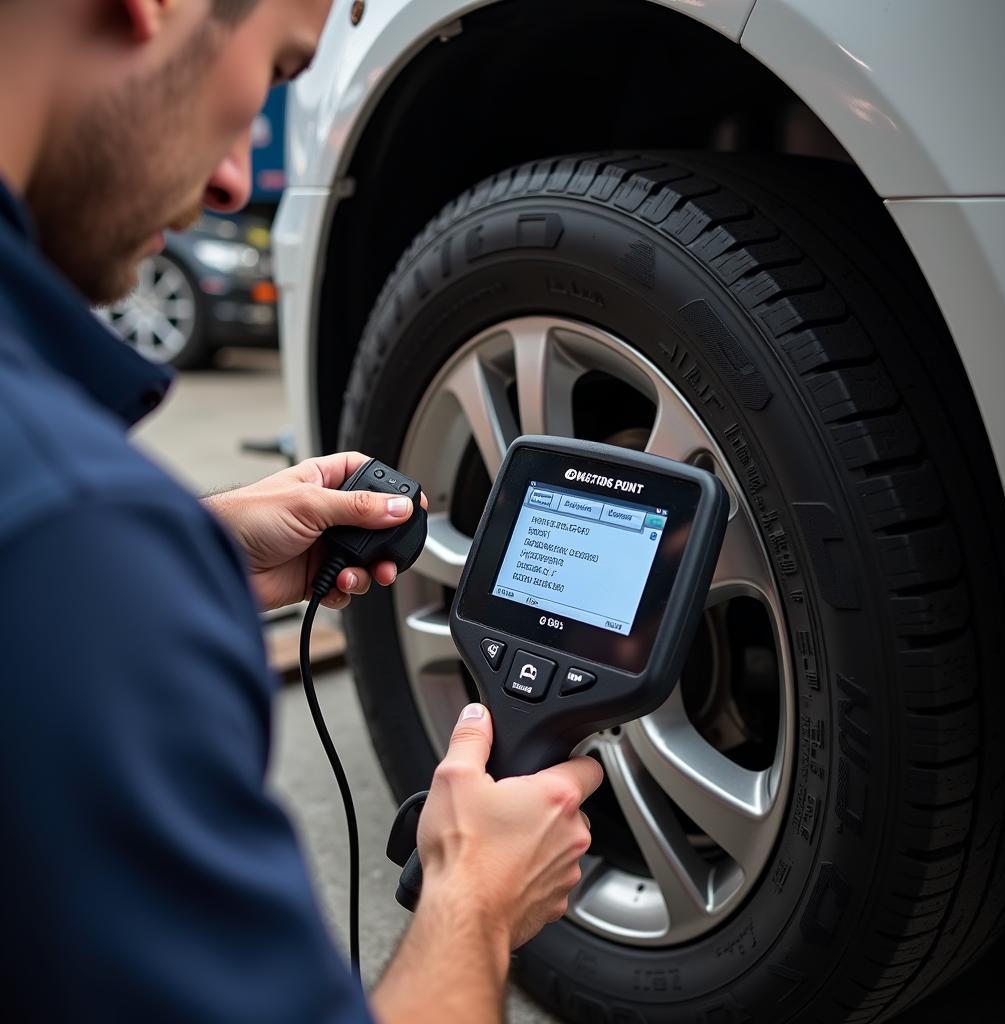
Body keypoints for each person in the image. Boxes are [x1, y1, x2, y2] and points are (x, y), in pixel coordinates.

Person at [0, 2, 602, 1021]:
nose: (236, 177)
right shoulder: (76, 542)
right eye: (276, 69)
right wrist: (478, 903)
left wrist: (182, 550)